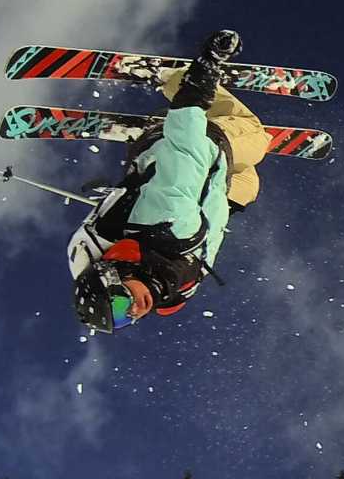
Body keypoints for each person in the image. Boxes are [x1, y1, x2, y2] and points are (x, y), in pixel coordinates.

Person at [69, 30, 273, 332]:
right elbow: (203, 247)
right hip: (202, 183)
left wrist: (201, 78)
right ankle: (181, 128)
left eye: (121, 305)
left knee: (258, 137)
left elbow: (185, 152)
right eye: (125, 320)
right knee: (249, 186)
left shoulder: (166, 219)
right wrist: (224, 206)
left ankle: (174, 79)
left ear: (113, 278)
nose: (134, 312)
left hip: (197, 145)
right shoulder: (169, 289)